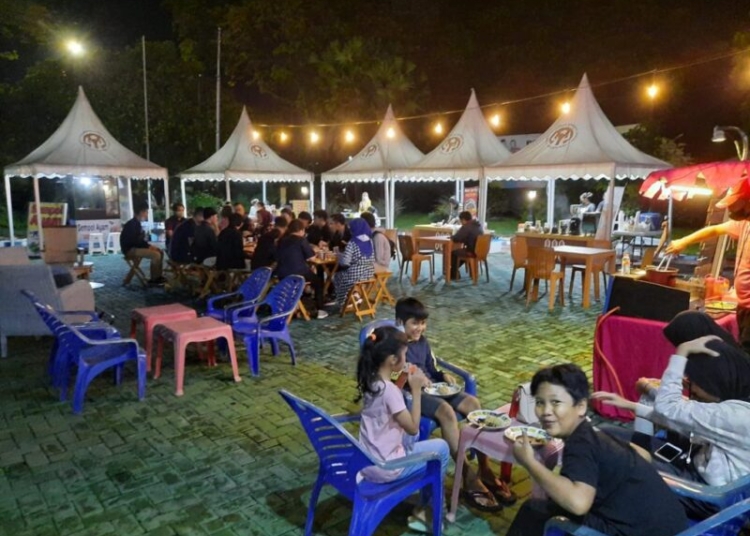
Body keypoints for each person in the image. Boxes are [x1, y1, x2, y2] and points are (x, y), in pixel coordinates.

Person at [592, 311, 750, 519]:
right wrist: (630, 405)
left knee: (613, 459)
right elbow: (682, 421)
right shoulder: (732, 403)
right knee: (604, 435)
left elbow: (670, 409)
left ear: (714, 380)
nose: (690, 390)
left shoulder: (734, 415)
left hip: (705, 494)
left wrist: (681, 354)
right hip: (697, 468)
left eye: (694, 385)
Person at [507, 363, 689, 536]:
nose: (546, 411)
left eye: (555, 402)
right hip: (674, 526)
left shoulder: (580, 444)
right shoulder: (595, 434)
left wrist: (530, 462)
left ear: (581, 406)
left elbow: (578, 504)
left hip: (641, 531)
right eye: (540, 402)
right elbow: (645, 456)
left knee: (533, 511)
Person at [395, 297, 514, 512]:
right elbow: (396, 381)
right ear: (400, 321)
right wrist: (413, 378)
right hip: (414, 395)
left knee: (473, 403)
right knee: (447, 412)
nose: (419, 328)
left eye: (422, 323)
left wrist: (444, 375)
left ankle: (485, 469)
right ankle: (467, 477)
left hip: (435, 389)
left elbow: (432, 367)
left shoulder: (423, 341)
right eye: (414, 323)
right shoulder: (396, 346)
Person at [356, 325, 450, 531]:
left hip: (366, 461)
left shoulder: (372, 381)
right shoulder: (390, 391)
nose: (407, 359)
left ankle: (424, 506)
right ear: (392, 360)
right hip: (386, 467)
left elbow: (390, 402)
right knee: (441, 449)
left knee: (423, 446)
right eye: (404, 355)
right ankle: (429, 513)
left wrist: (402, 379)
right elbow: (413, 428)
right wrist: (416, 390)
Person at [666, 181, 750, 351]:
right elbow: (714, 230)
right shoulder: (744, 224)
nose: (731, 208)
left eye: (735, 203)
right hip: (743, 305)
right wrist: (683, 241)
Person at [275, 219, 328, 319]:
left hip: (282, 274)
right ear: (301, 230)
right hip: (298, 273)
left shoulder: (282, 240)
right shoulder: (301, 240)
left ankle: (299, 304)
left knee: (309, 275)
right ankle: (320, 308)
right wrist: (316, 252)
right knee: (317, 281)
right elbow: (312, 258)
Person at [333, 218, 375, 307]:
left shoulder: (353, 242)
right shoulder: (370, 241)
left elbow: (345, 262)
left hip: (355, 274)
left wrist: (339, 256)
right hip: (369, 273)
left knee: (337, 276)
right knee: (345, 276)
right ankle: (354, 295)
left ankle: (344, 301)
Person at [120, 202, 165, 285]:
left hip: (134, 247)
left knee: (160, 252)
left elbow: (139, 241)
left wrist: (149, 246)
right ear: (141, 212)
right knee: (156, 255)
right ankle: (154, 278)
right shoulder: (132, 225)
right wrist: (149, 247)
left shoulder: (136, 224)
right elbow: (135, 242)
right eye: (146, 212)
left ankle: (158, 276)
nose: (147, 214)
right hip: (130, 249)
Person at [449, 211, 483, 280]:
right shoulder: (478, 225)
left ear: (463, 220)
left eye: (461, 221)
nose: (461, 223)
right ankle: (455, 271)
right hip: (480, 251)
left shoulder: (466, 227)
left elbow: (457, 238)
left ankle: (454, 274)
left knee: (453, 253)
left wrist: (451, 237)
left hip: (472, 252)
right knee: (461, 252)